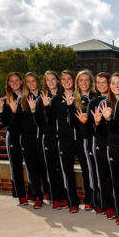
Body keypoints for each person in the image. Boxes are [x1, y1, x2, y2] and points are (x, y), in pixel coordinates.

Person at [47, 70, 82, 213]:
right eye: (64, 79)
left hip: (80, 140)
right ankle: (72, 201)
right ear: (61, 82)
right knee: (66, 172)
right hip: (64, 141)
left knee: (87, 170)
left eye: (69, 79)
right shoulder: (56, 99)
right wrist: (45, 107)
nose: (66, 81)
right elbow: (50, 121)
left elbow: (78, 121)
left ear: (73, 80)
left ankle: (94, 201)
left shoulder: (79, 97)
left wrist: (71, 106)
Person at [0, 72, 28, 205]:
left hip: (27, 137)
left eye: (17, 80)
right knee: (16, 167)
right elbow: (5, 123)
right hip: (13, 137)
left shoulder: (28, 97)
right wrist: (1, 110)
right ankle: (20, 195)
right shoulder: (4, 99)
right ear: (8, 83)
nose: (14, 83)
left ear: (21, 81)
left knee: (32, 166)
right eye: (11, 81)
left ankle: (34, 193)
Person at [35, 71, 68, 209]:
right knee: (51, 169)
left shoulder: (64, 96)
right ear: (45, 82)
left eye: (53, 79)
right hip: (48, 139)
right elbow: (39, 122)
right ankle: (55, 198)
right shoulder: (41, 98)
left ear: (58, 80)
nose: (51, 82)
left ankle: (64, 196)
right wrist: (41, 107)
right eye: (47, 80)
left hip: (62, 138)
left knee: (62, 169)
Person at [101, 72, 119, 224]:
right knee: (116, 180)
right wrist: (106, 119)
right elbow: (108, 130)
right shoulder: (105, 103)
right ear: (109, 86)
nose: (117, 86)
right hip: (114, 146)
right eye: (113, 83)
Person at [84, 72, 113, 217]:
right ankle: (101, 203)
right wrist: (94, 122)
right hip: (98, 142)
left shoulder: (115, 100)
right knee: (100, 175)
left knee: (112, 175)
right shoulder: (94, 102)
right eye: (98, 82)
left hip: (113, 143)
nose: (101, 85)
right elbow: (89, 128)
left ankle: (113, 204)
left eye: (104, 82)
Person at [20, 72, 48, 208]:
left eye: (33, 81)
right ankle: (38, 196)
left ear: (38, 81)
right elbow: (20, 122)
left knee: (44, 168)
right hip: (28, 140)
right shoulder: (23, 99)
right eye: (28, 81)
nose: (31, 84)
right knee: (32, 169)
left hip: (42, 139)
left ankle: (48, 191)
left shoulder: (44, 97)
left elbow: (46, 120)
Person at [75, 70, 98, 211]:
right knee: (87, 170)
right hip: (83, 140)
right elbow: (70, 123)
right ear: (77, 83)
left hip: (97, 139)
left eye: (87, 80)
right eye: (81, 80)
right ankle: (89, 199)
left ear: (91, 82)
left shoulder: (96, 97)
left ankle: (98, 198)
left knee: (97, 170)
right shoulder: (73, 99)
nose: (84, 83)